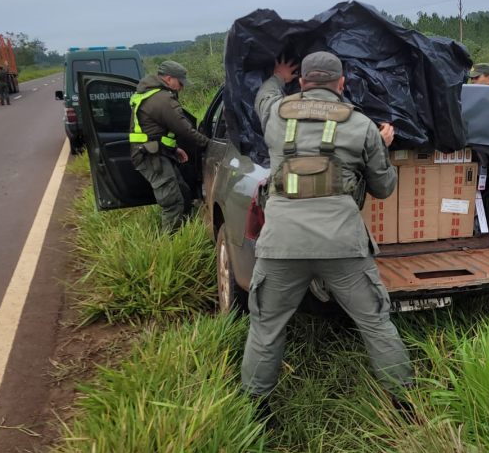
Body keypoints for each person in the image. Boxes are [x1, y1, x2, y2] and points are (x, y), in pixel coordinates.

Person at [241, 51, 412, 415]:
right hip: (343, 245)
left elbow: (263, 97)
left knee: (266, 326)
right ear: (341, 84)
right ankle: (405, 408)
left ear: (301, 83)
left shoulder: (275, 114)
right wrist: (381, 144)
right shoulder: (361, 125)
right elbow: (383, 189)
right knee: (376, 322)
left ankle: (255, 414)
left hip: (282, 246)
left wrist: (276, 75)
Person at [128, 60, 210, 233]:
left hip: (154, 152)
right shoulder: (162, 98)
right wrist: (208, 143)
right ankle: (171, 245)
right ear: (168, 78)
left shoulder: (149, 93)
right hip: (151, 157)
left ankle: (186, 232)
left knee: (184, 192)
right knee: (173, 203)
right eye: (180, 82)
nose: (182, 87)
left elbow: (153, 131)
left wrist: (173, 149)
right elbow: (184, 129)